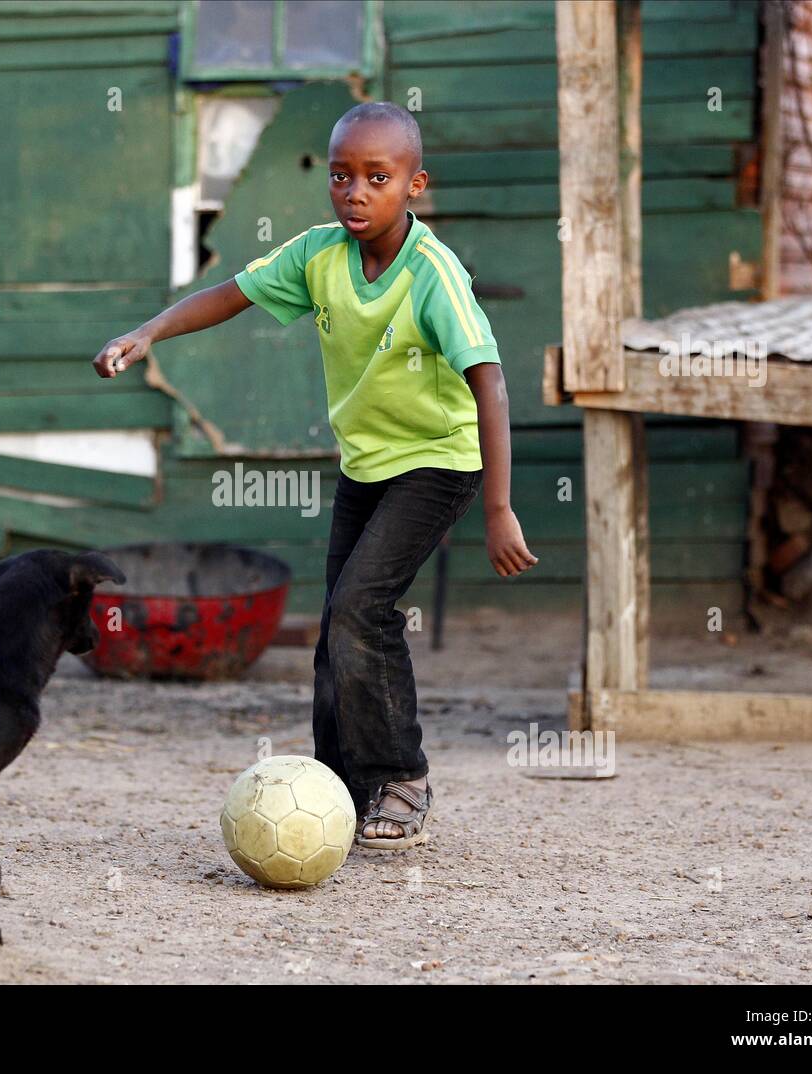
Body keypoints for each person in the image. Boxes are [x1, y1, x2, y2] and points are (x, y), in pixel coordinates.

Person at [93, 101, 537, 849]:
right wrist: (148, 332)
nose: (355, 193)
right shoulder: (318, 256)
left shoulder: (432, 274)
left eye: (377, 177)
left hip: (439, 462)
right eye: (341, 177)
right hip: (367, 465)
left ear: (414, 185)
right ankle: (338, 788)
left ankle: (402, 777)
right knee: (336, 623)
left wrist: (499, 506)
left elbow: (489, 380)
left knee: (363, 608)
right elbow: (229, 294)